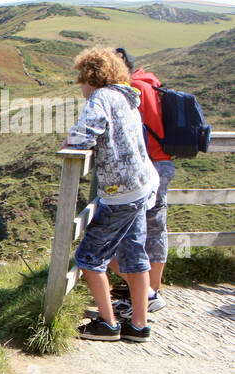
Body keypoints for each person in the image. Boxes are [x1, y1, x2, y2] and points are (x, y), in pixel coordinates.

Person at [62, 47, 159, 342]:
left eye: (81, 78)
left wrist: (71, 139)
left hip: (120, 191)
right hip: (141, 186)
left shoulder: (101, 97)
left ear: (91, 76)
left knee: (88, 257)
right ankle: (139, 326)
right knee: (134, 255)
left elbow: (85, 133)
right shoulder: (127, 96)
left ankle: (108, 323)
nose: (80, 85)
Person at [109, 47, 172, 313]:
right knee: (155, 229)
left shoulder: (132, 89)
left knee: (127, 233)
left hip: (147, 167)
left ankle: (145, 293)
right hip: (164, 162)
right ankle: (151, 290)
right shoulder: (151, 83)